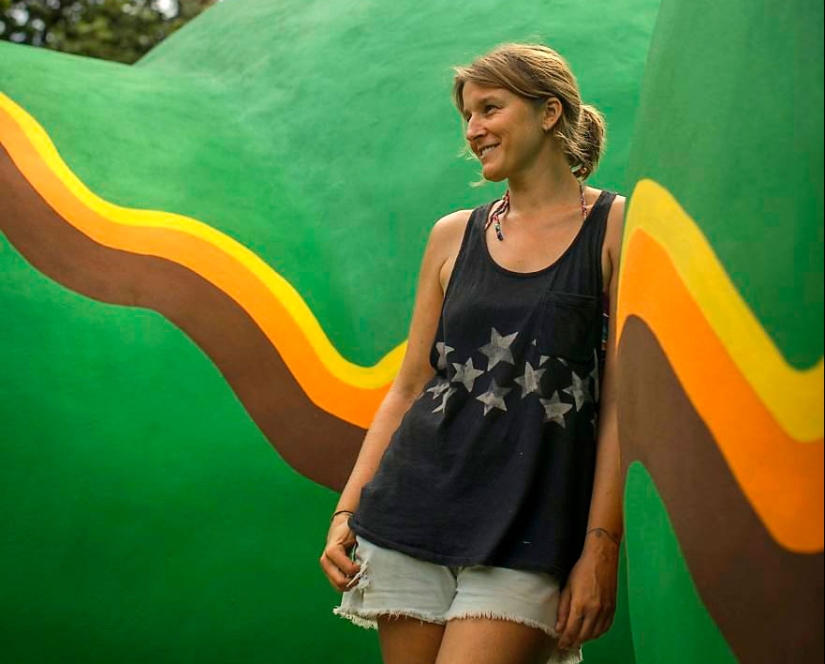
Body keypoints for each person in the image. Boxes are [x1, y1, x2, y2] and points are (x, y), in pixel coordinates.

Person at [320, 43, 625, 664]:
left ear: (548, 113)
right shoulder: (452, 235)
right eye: (467, 115)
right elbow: (409, 386)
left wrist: (600, 546)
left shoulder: (615, 227)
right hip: (412, 510)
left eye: (490, 108)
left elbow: (620, 403)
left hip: (533, 530)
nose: (473, 129)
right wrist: (348, 504)